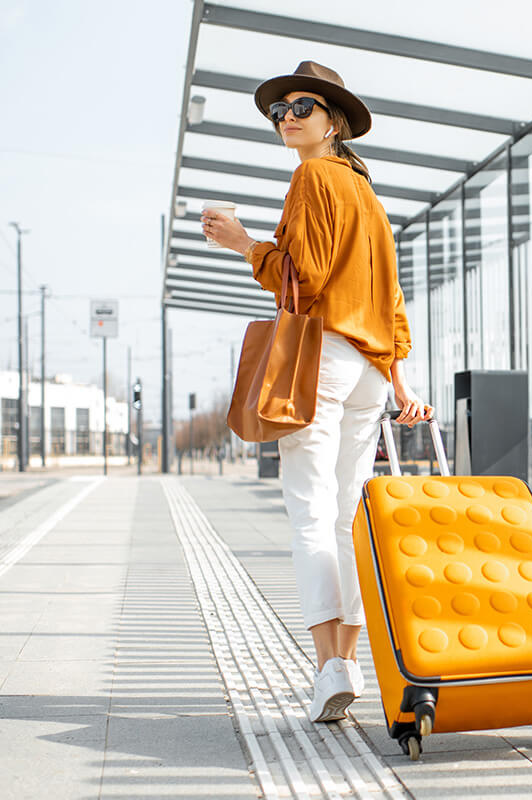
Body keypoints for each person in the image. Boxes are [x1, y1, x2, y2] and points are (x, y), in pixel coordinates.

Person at [202, 61, 431, 723]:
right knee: (345, 517)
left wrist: (246, 243)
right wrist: (400, 383)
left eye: (302, 106)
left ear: (333, 122)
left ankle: (331, 667)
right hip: (366, 371)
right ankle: (348, 664)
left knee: (309, 512)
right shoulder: (371, 199)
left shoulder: (312, 176)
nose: (288, 117)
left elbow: (300, 278)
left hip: (323, 357)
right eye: (280, 111)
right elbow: (391, 302)